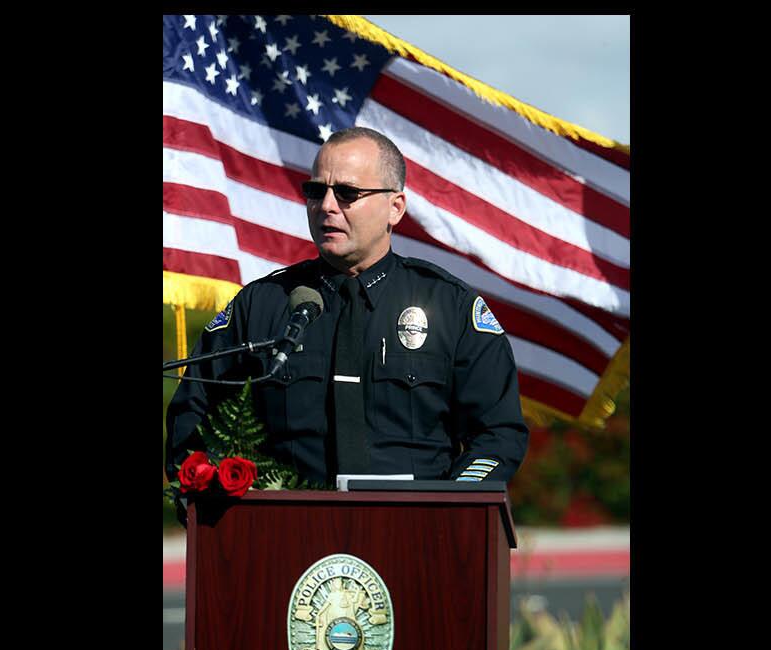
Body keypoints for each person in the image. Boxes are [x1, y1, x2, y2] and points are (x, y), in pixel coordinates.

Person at [166, 127, 528, 486]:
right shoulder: (262, 305)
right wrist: (212, 497)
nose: (326, 206)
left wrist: (451, 508)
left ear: (395, 208)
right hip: (285, 534)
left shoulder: (449, 306)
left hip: (414, 535)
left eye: (347, 193)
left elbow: (498, 433)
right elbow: (194, 413)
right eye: (315, 191)